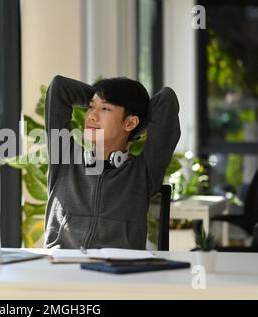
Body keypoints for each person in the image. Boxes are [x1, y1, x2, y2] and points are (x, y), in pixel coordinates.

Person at [44, 75, 180, 249]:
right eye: (91, 107)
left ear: (130, 122)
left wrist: (136, 114)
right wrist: (100, 95)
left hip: (119, 272)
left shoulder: (143, 172)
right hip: (59, 270)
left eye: (105, 109)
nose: (92, 116)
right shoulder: (64, 158)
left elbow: (166, 99)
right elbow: (59, 87)